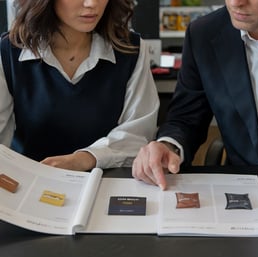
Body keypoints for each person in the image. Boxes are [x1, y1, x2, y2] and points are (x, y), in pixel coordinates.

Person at [132, 0, 258, 206]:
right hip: (246, 188)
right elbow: (186, 118)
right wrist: (167, 146)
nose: (235, 3)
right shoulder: (203, 34)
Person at [0, 0, 159, 171]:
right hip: (30, 184)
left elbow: (138, 133)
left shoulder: (131, 49)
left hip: (108, 182)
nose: (92, 4)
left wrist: (86, 158)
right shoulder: (9, 52)